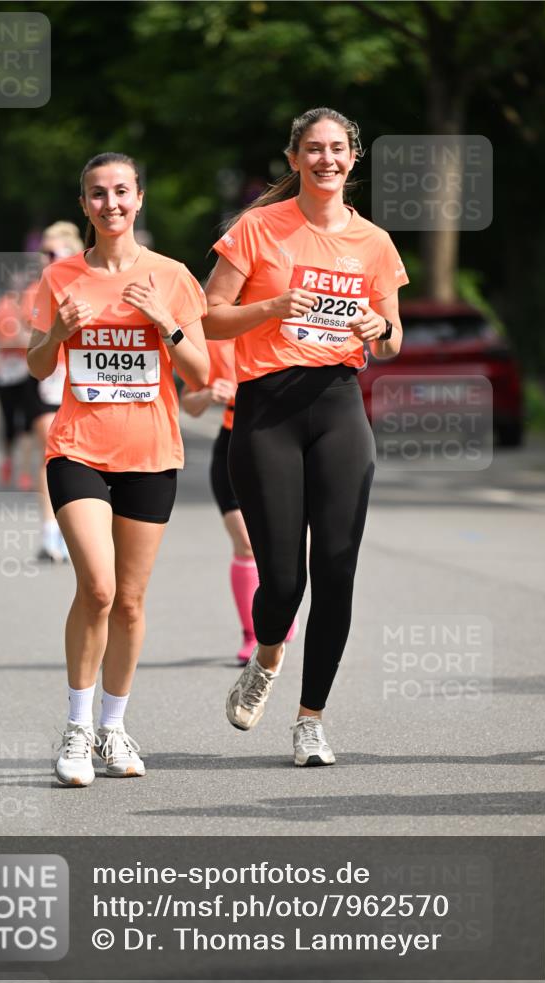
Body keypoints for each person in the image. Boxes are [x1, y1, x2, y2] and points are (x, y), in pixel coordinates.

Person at [204, 108, 409, 766]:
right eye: (313, 149)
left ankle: (310, 719)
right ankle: (266, 656)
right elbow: (208, 319)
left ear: (353, 159)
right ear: (292, 158)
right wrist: (269, 307)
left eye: (338, 148)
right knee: (284, 582)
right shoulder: (257, 229)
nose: (326, 159)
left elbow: (394, 334)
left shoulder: (373, 242)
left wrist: (380, 330)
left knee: (337, 571)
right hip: (266, 410)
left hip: (339, 404)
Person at [27, 152, 209, 786]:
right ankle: (77, 729)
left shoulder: (174, 277)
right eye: (98, 194)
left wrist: (165, 324)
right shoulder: (60, 278)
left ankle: (113, 725)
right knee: (98, 588)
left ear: (139, 199)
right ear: (84, 205)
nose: (111, 204)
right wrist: (58, 333)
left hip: (151, 454)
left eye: (122, 192)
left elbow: (202, 375)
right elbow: (37, 364)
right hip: (77, 446)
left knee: (130, 602)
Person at [181, 337, 298, 662]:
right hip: (236, 443)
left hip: (283, 441)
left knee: (288, 543)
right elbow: (189, 403)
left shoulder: (283, 325)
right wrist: (209, 394)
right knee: (245, 542)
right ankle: (253, 635)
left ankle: (281, 603)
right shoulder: (213, 339)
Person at [22, 222, 86, 558]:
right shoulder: (37, 288)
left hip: (87, 382)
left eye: (51, 251)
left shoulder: (90, 281)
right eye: (41, 251)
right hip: (48, 378)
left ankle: (78, 526)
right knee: (50, 453)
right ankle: (50, 532)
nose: (44, 258)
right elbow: (25, 334)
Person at [0, 276, 33, 486]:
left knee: (25, 423)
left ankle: (24, 471)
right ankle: (7, 460)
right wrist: (12, 342)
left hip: (27, 372)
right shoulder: (1, 308)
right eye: (15, 285)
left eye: (22, 285)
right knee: (8, 423)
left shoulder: (32, 305)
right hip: (5, 373)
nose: (19, 288)